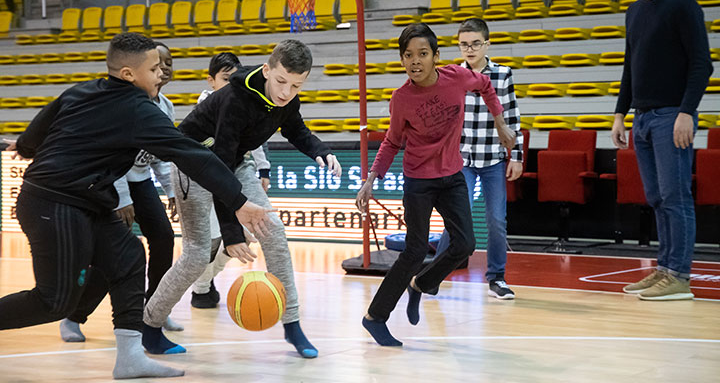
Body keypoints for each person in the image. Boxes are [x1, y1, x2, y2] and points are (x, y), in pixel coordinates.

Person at [0, 33, 274, 380]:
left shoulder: (81, 91)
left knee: (129, 256)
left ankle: (130, 358)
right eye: (155, 67)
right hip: (54, 203)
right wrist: (239, 200)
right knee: (55, 301)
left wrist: (23, 146)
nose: (162, 72)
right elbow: (192, 155)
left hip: (88, 201)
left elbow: (38, 131)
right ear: (129, 74)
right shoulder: (139, 110)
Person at [142, 40, 341, 358]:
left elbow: (296, 130)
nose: (286, 92)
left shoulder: (287, 97)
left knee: (273, 229)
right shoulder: (236, 98)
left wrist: (320, 151)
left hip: (236, 161)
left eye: (296, 85)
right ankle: (149, 327)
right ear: (266, 70)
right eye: (281, 82)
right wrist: (232, 233)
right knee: (196, 255)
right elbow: (218, 168)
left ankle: (292, 325)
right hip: (194, 162)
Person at [356, 23, 515, 346]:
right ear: (402, 60)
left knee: (464, 244)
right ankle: (375, 317)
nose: (415, 61)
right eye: (408, 56)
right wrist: (371, 179)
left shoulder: (457, 77)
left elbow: (485, 85)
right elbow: (392, 141)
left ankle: (421, 285)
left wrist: (500, 122)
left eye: (422, 54)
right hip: (419, 181)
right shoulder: (401, 99)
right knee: (414, 251)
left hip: (453, 175)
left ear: (436, 56)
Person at [58, 42, 184, 343]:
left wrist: (171, 192)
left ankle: (154, 307)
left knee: (164, 237)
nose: (164, 68)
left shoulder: (165, 106)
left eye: (168, 62)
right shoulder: (122, 102)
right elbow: (109, 155)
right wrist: (123, 199)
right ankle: (74, 316)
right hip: (110, 182)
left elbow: (160, 156)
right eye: (157, 63)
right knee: (117, 252)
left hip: (140, 181)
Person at [611, 0, 713, 301]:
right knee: (656, 197)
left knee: (675, 197)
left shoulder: (683, 6)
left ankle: (680, 276)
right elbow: (630, 66)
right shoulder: (635, 11)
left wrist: (687, 111)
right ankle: (665, 268)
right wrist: (621, 113)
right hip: (642, 118)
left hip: (673, 115)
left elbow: (702, 64)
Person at [434, 18, 523, 300]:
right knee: (456, 217)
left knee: (496, 220)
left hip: (493, 158)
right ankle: (432, 274)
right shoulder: (449, 75)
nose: (469, 49)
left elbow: (511, 117)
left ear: (487, 44)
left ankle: (497, 278)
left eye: (475, 44)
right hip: (460, 161)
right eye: (463, 44)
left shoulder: (502, 74)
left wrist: (516, 156)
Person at [190, 52, 272, 309]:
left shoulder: (242, 102)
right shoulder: (205, 105)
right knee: (212, 243)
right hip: (206, 181)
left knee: (247, 236)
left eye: (234, 78)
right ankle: (201, 288)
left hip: (233, 176)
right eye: (225, 79)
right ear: (211, 81)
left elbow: (252, 139)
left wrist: (264, 168)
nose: (231, 84)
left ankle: (203, 284)